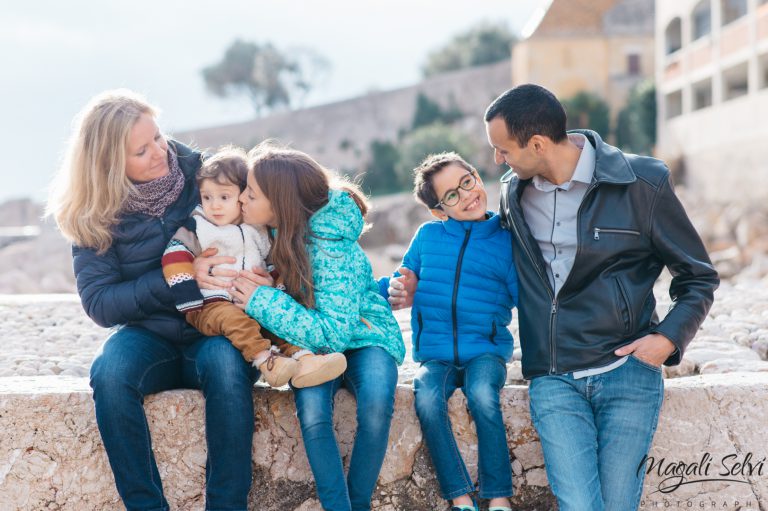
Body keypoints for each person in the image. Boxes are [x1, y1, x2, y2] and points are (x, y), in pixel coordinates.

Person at [391, 83, 719, 511]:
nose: (497, 162)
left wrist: (668, 340)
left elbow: (698, 276)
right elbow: (471, 263)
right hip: (554, 378)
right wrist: (414, 286)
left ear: (538, 144)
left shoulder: (642, 182)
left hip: (629, 373)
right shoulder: (514, 193)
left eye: (503, 150)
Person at [47, 89, 258, 511]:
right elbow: (101, 304)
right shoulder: (90, 213)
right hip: (149, 334)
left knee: (227, 366)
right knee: (110, 374)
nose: (160, 153)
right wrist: (177, 279)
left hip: (214, 324)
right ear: (109, 164)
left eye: (158, 138)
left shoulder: (205, 174)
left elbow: (272, 210)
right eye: (141, 151)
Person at [224, 142, 405, 511]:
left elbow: (335, 334)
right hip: (313, 349)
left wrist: (263, 300)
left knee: (375, 404)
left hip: (365, 338)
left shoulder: (330, 245)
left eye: (252, 193)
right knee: (312, 411)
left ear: (280, 204)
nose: (242, 198)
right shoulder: (269, 235)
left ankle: (357, 503)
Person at [380, 152, 518, 511]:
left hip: (486, 351)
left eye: (467, 182)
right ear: (440, 210)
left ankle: (499, 497)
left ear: (475, 175)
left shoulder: (506, 240)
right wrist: (399, 289)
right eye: (452, 195)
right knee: (426, 399)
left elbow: (527, 301)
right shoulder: (426, 238)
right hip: (435, 355)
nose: (467, 195)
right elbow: (402, 281)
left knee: (483, 395)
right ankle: (460, 497)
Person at [161, 146, 347, 387]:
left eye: (224, 197)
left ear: (242, 195)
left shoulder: (257, 230)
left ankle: (306, 360)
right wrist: (187, 294)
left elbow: (275, 264)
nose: (214, 206)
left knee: (276, 322)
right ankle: (266, 361)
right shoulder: (199, 226)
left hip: (251, 300)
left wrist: (274, 287)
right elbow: (174, 256)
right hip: (210, 304)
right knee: (236, 322)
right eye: (207, 197)